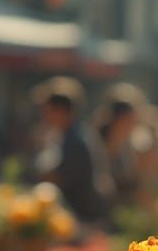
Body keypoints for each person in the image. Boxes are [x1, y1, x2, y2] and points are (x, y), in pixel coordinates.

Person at [30, 76, 113, 228]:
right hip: (84, 216)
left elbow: (58, 179)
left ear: (60, 111)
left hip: (84, 222)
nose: (44, 116)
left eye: (47, 109)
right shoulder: (75, 134)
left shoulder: (76, 140)